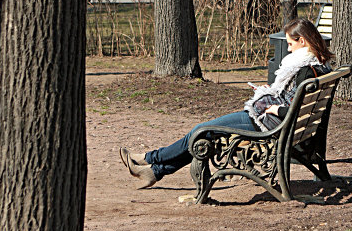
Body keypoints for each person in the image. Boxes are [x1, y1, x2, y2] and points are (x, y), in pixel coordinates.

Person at [119, 18, 334, 188]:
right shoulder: (318, 66)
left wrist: (274, 107)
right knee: (204, 133)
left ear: (302, 41)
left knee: (201, 130)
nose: (287, 49)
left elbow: (291, 110)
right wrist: (269, 93)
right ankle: (154, 170)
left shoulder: (305, 69)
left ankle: (149, 158)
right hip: (278, 124)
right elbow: (297, 102)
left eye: (290, 44)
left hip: (267, 124)